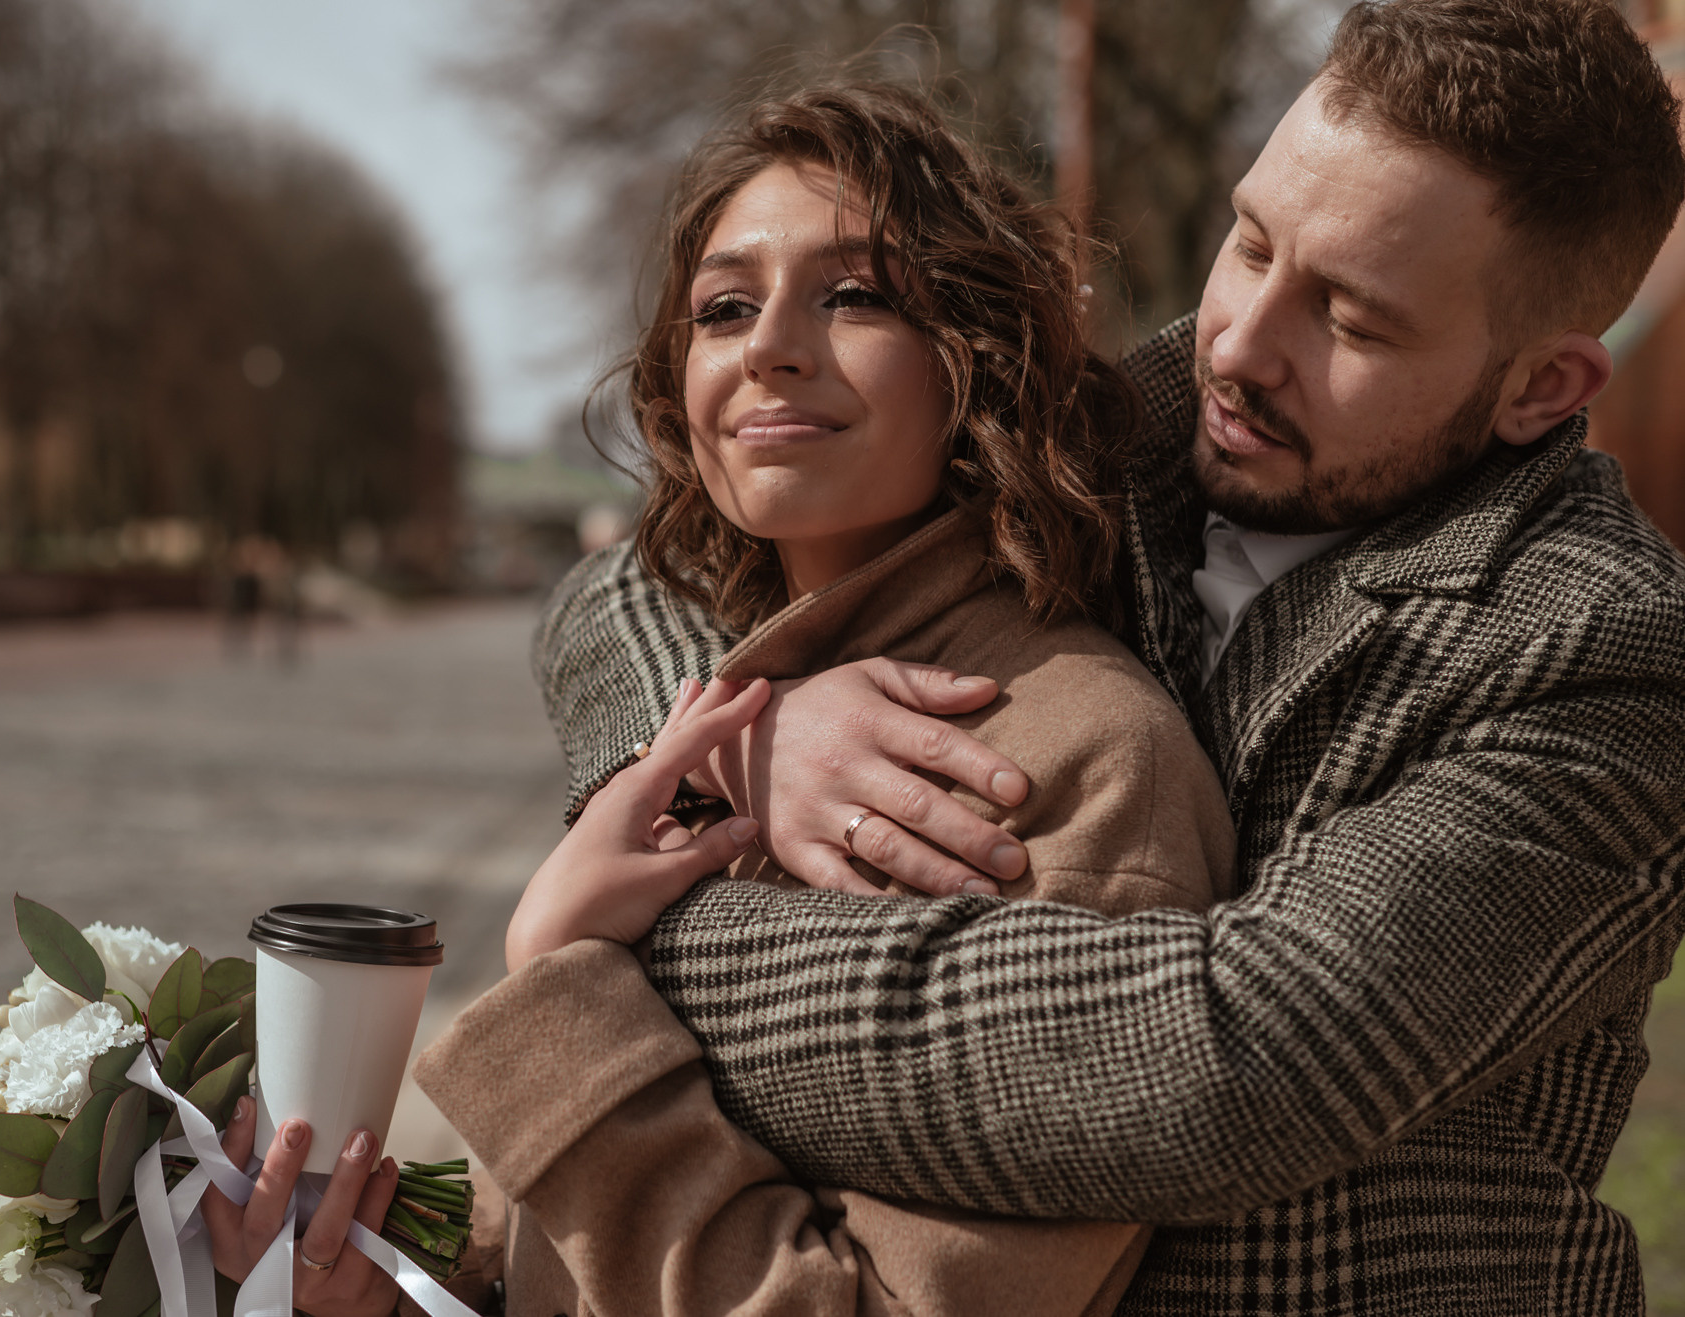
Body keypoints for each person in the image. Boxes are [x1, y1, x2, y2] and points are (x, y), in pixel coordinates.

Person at [530, 0, 1685, 1311]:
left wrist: (626, 937)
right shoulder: (1122, 427)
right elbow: (632, 577)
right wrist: (748, 733)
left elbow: (1232, 1073)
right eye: (1250, 242)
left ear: (1545, 389)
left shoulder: (1608, 656)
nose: (1241, 346)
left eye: (1354, 324)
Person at [417, 82, 1237, 1317]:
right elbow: (589, 1203)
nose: (769, 348)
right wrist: (404, 1249)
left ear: (979, 361)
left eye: (854, 295)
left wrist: (555, 974)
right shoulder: (729, 704)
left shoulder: (1084, 759)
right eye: (724, 308)